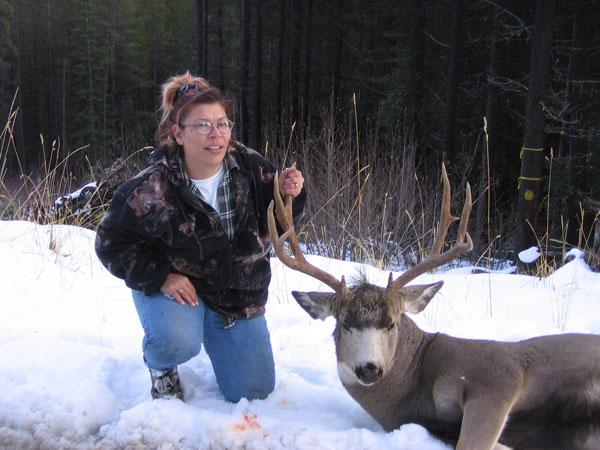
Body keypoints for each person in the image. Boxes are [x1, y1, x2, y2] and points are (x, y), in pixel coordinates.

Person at [95, 72, 306, 403]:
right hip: (180, 290)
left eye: (222, 124)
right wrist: (160, 275)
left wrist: (289, 194)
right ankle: (162, 365)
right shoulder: (152, 187)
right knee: (176, 340)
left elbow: (280, 225)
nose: (216, 134)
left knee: (253, 392)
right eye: (202, 125)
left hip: (236, 296)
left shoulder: (252, 168)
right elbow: (111, 243)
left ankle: (213, 330)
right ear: (178, 133)